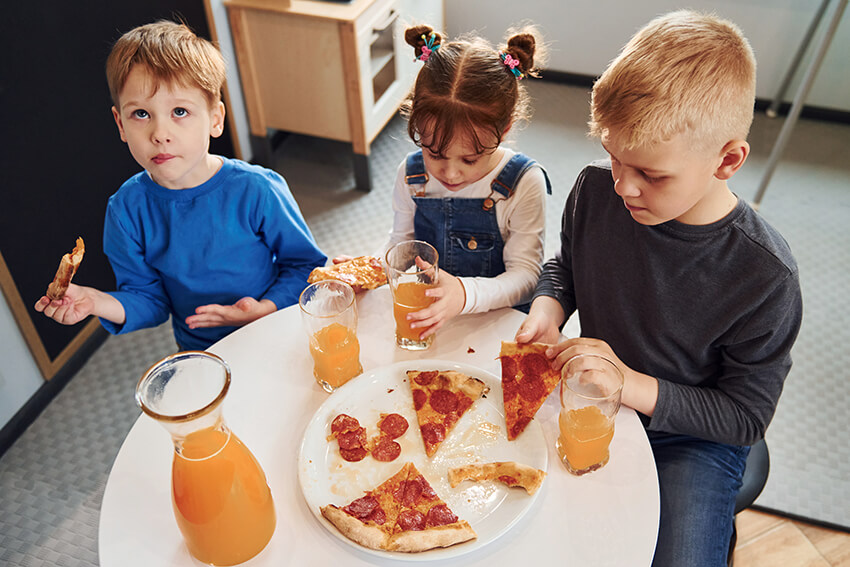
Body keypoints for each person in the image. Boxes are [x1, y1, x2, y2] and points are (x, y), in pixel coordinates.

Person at [515, 11, 802, 566]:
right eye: (613, 156)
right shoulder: (597, 190)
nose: (623, 184)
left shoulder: (766, 275)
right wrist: (550, 305)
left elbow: (743, 418)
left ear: (728, 160)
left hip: (692, 439)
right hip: (592, 399)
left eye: (652, 173)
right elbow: (567, 266)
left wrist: (628, 382)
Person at [34, 20, 327, 351]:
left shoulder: (257, 189)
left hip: (275, 329)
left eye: (179, 111)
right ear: (120, 124)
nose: (160, 133)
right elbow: (150, 300)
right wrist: (95, 301)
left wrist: (263, 308)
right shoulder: (125, 211)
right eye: (141, 114)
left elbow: (306, 265)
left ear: (215, 119)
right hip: (201, 353)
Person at [376, 24, 551, 340]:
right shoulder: (412, 174)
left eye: (470, 159)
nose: (451, 173)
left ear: (505, 129)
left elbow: (526, 277)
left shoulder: (523, 182)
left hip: (499, 324)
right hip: (436, 318)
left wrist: (463, 294)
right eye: (434, 153)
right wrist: (374, 268)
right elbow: (401, 243)